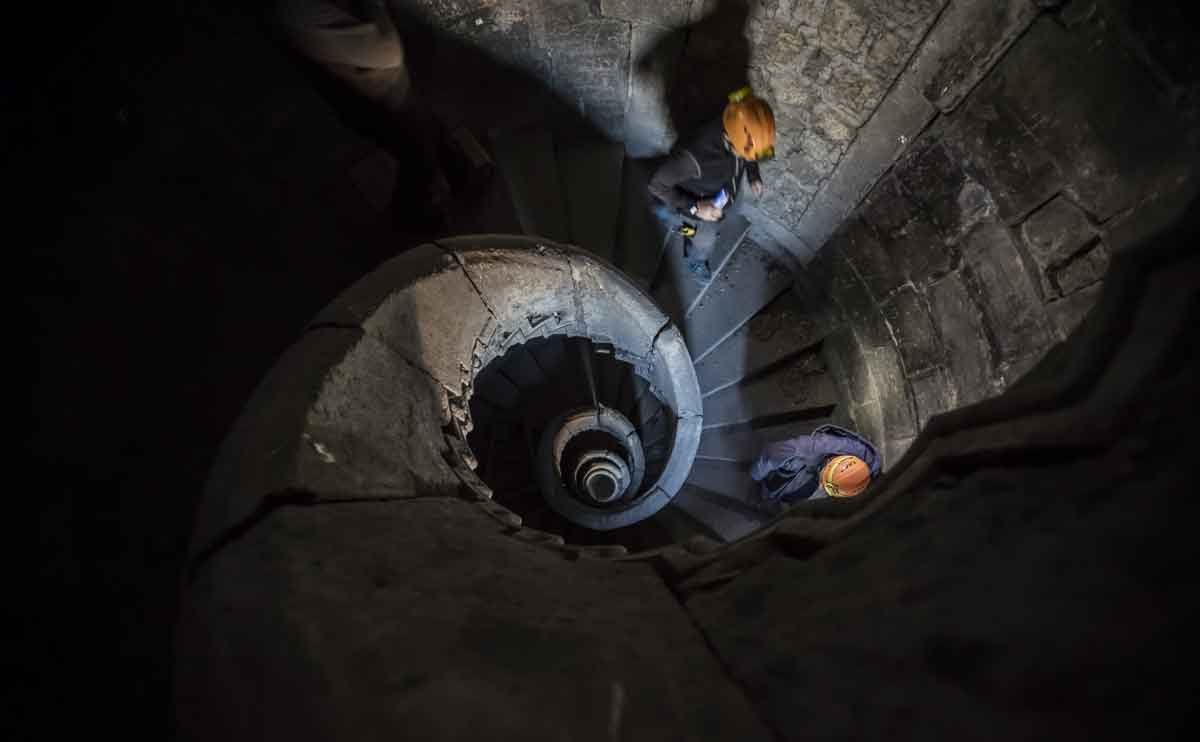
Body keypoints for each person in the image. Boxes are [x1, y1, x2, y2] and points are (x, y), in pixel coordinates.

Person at [274, 0, 450, 212]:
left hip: (384, 91)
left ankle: (457, 171)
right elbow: (388, 52)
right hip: (380, 104)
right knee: (417, 157)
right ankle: (411, 214)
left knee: (428, 130)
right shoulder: (296, 10)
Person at [647, 87, 776, 284]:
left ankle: (670, 216)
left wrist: (753, 174)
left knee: (713, 226)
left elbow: (748, 152)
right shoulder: (694, 156)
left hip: (719, 197)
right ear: (731, 140)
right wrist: (695, 207)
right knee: (703, 241)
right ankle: (693, 256)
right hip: (693, 212)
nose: (746, 158)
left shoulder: (736, 122)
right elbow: (656, 184)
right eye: (744, 155)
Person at [750, 424, 881, 504]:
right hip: (792, 473)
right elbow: (770, 455)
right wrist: (754, 478)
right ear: (830, 461)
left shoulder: (862, 473)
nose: (823, 487)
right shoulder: (806, 449)